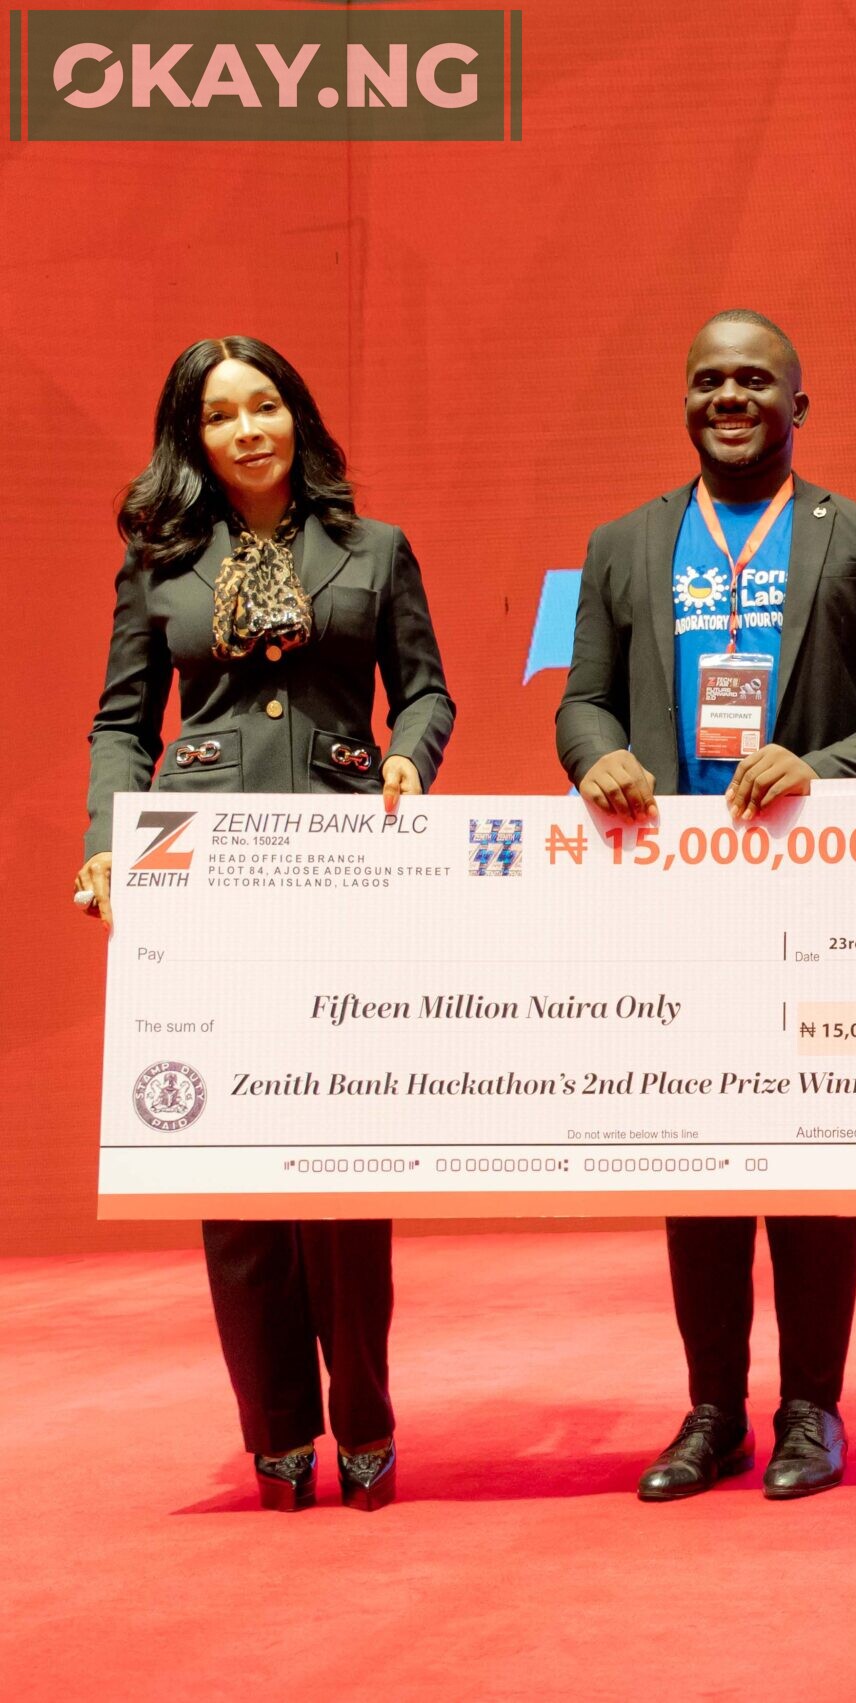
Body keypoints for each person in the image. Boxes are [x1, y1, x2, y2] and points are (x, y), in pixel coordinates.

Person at [556, 309, 856, 1500]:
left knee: (816, 1156)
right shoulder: (624, 542)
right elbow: (582, 701)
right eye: (708, 380)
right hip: (675, 899)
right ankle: (712, 1409)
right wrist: (597, 760)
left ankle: (812, 1411)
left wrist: (823, 766)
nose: (730, 396)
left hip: (819, 892)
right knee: (698, 1159)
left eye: (754, 380)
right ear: (684, 400)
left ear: (799, 400)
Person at [81, 336, 456, 1511]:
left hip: (345, 861)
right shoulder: (157, 569)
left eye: (267, 406)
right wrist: (106, 838)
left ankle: (368, 1418)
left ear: (298, 418)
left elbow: (429, 688)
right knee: (233, 1168)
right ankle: (277, 1432)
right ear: (192, 439)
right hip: (206, 874)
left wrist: (408, 757)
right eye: (222, 414)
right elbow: (121, 723)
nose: (249, 429)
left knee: (344, 1163)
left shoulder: (374, 549)